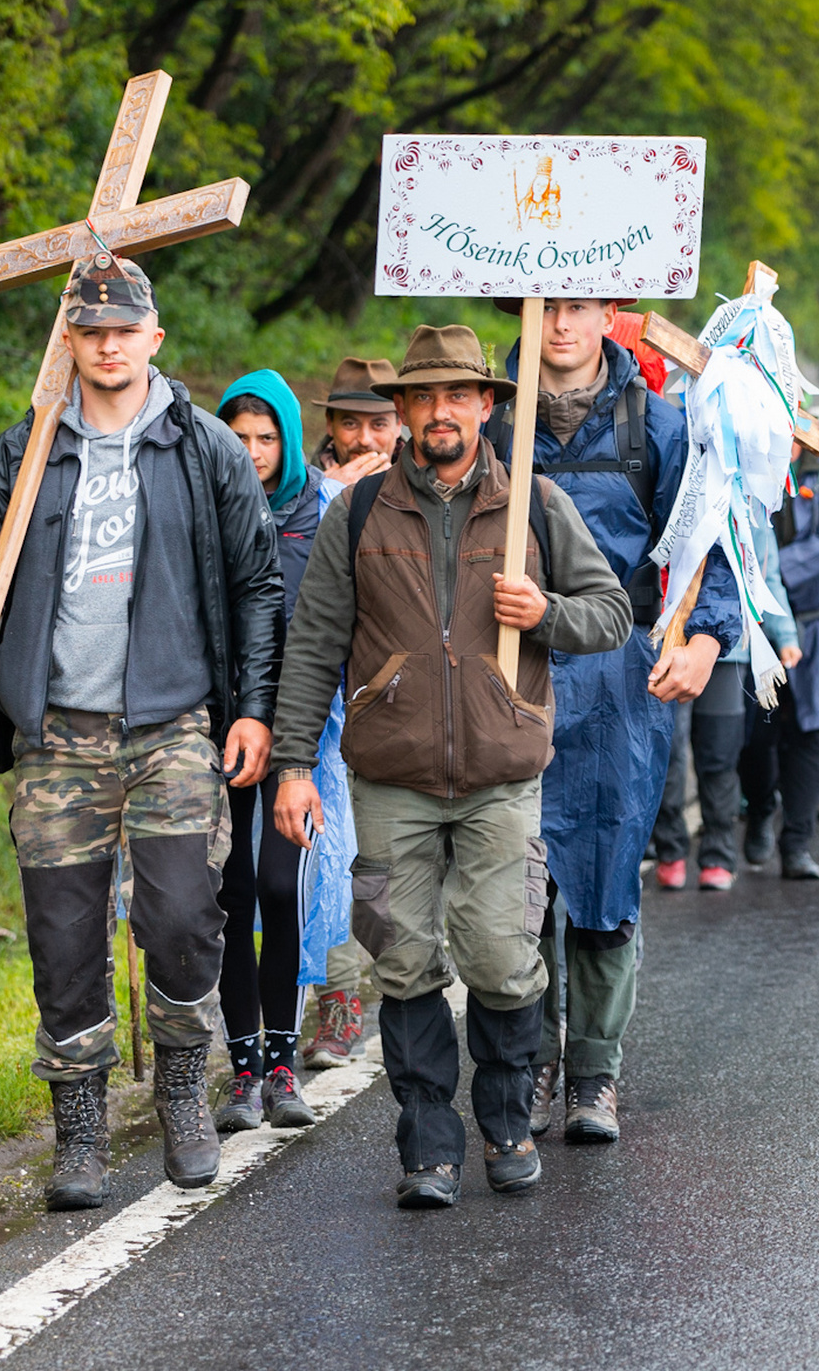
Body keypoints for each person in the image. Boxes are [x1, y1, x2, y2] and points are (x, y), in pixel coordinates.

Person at [0, 251, 282, 1212]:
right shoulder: (27, 451)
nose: (109, 344)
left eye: (125, 329)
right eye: (91, 330)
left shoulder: (202, 447)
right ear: (69, 341)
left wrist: (252, 709)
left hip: (172, 727)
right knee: (63, 937)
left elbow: (257, 585)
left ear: (154, 337)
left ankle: (180, 1087)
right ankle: (78, 1133)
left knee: (178, 918)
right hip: (57, 736)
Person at [269, 324, 632, 1210]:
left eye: (458, 396)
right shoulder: (357, 514)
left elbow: (611, 613)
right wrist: (292, 764)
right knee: (401, 959)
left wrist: (543, 609)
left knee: (503, 958)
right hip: (389, 778)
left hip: (502, 777)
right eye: (423, 397)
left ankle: (506, 1124)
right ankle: (428, 1147)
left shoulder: (536, 507)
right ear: (400, 414)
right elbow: (315, 642)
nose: (440, 412)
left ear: (485, 407)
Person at [486, 297, 741, 1148]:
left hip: (619, 675)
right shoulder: (489, 420)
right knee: (516, 883)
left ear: (609, 315)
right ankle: (530, 1066)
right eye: (544, 306)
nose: (559, 324)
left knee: (600, 875)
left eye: (578, 307)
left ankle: (595, 1072)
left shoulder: (660, 426)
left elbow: (712, 538)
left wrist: (707, 636)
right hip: (508, 670)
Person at [210, 370, 357, 1132]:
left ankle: (282, 1061)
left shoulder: (319, 512)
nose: (253, 451)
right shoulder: (206, 508)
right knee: (231, 893)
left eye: (267, 437)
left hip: (300, 724)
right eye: (238, 437)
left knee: (280, 885)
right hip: (218, 724)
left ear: (290, 441)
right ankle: (240, 1068)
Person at [299, 357, 400, 1071]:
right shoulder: (302, 494)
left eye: (378, 422)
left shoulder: (421, 491)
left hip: (405, 697)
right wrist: (337, 499)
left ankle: (409, 967)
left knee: (392, 861)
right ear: (329, 426)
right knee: (329, 853)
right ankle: (338, 1001)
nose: (364, 435)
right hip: (325, 698)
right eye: (349, 422)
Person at [653, 503, 802, 891]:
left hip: (727, 651)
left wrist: (784, 636)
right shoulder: (668, 482)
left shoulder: (744, 498)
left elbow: (766, 577)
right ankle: (669, 848)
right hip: (667, 643)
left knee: (720, 754)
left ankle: (718, 852)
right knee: (669, 753)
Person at [738, 419, 819, 877]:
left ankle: (797, 845)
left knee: (812, 733)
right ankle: (758, 815)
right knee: (757, 734)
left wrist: (769, 572)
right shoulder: (743, 473)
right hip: (760, 625)